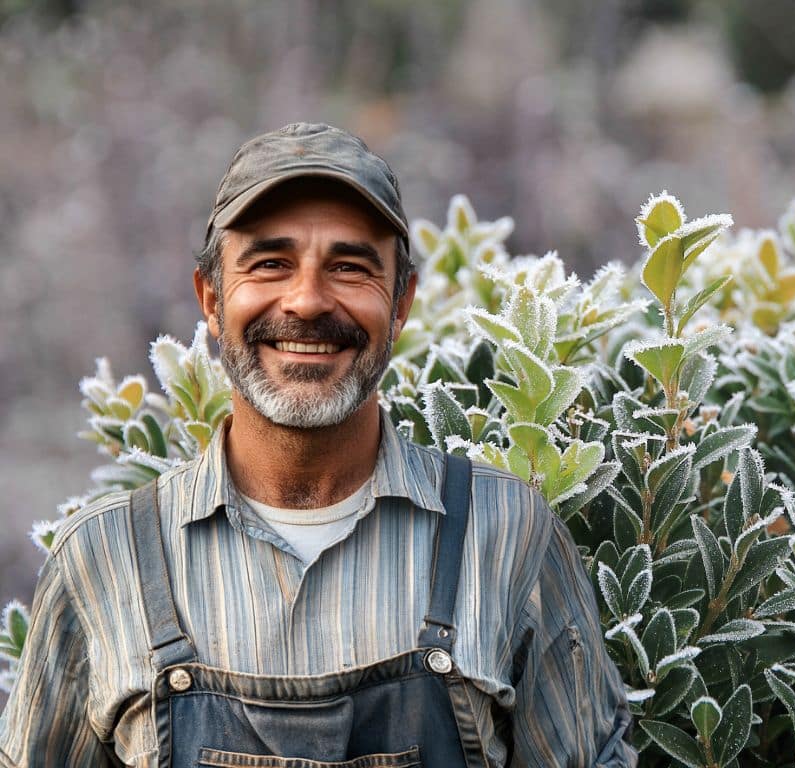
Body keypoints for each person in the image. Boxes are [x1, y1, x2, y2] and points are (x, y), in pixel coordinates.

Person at [0, 123, 636, 767]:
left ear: (401, 302)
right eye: (270, 263)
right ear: (212, 300)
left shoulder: (508, 535)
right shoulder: (103, 560)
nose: (306, 300)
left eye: (350, 267)